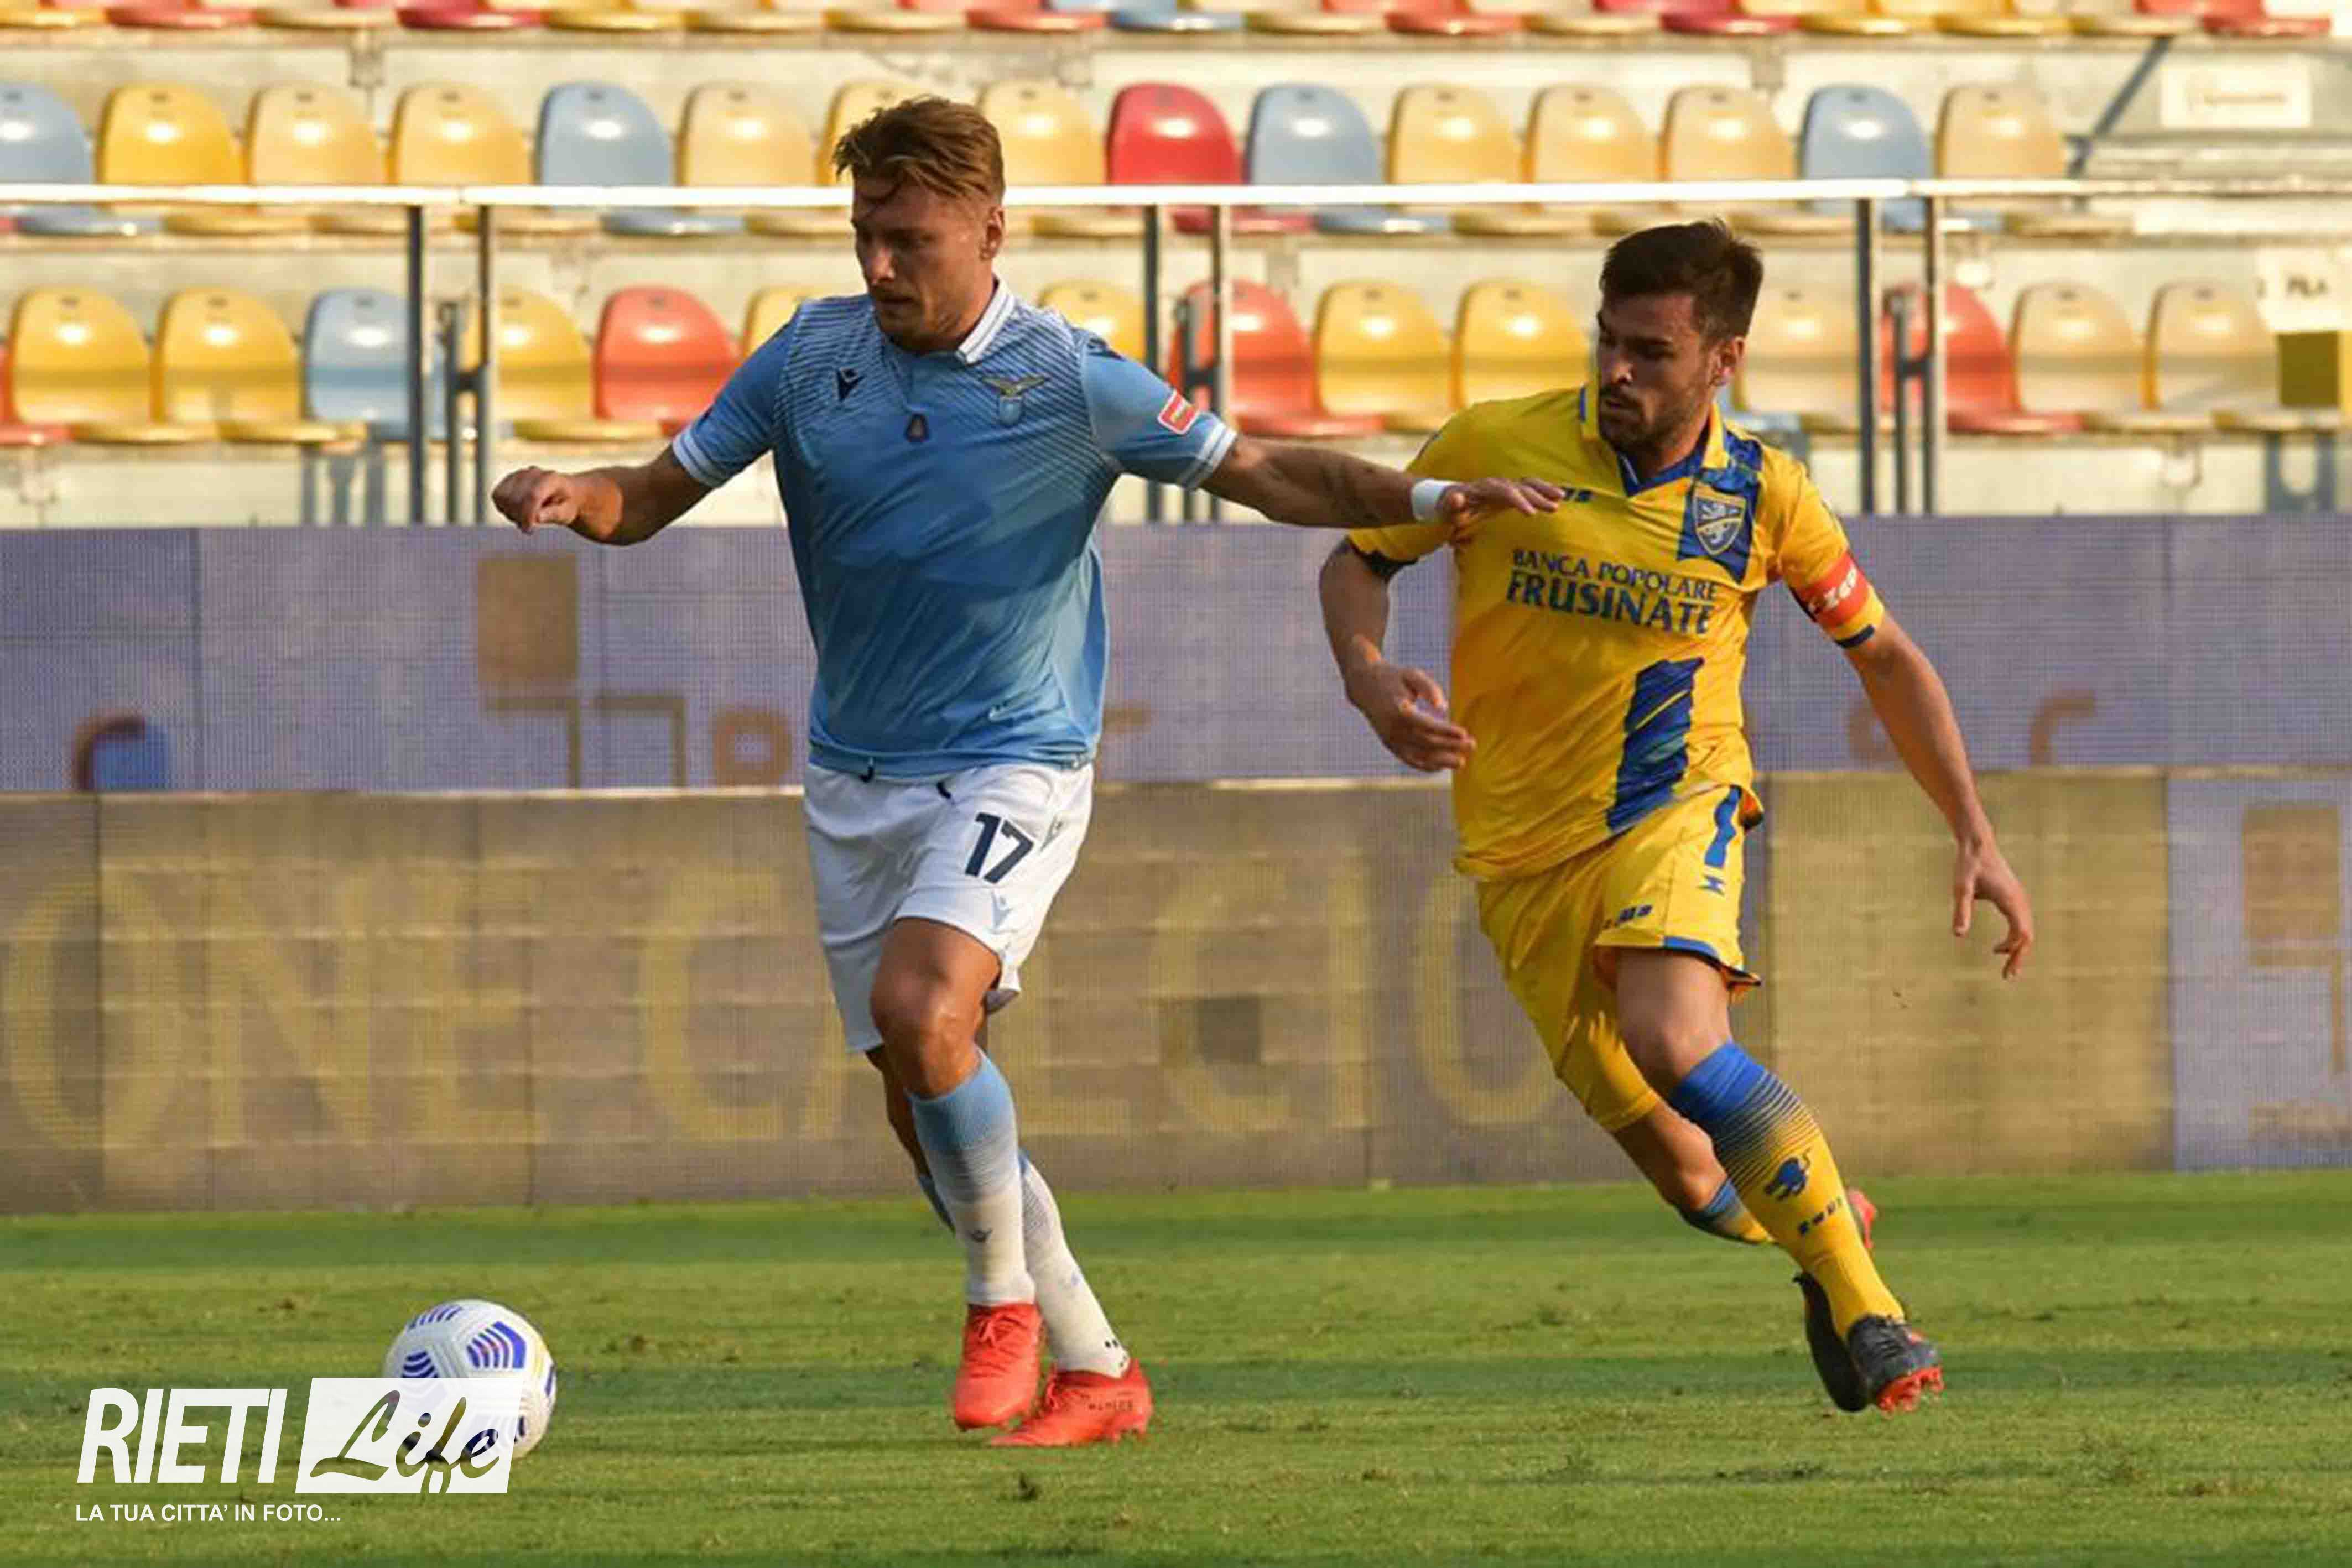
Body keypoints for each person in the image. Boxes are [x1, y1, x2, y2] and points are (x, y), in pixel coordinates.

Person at [492, 96, 1557, 1447]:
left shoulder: (1068, 378)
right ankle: (1098, 1368)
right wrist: (567, 493)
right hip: (854, 778)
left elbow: (1265, 471)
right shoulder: (809, 357)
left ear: (991, 230)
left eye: (911, 240)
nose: (881, 265)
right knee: (927, 1102)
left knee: (923, 1006)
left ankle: (997, 1302)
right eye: (866, 235)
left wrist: (1419, 499)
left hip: (1015, 756)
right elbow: (645, 496)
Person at [1318, 220, 2035, 1415]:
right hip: (1520, 849)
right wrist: (1366, 675)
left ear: (1723, 359)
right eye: (1607, 340)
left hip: (1676, 800)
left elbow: (1885, 656)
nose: (1617, 370)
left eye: (1650, 351)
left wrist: (1974, 829)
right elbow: (1356, 559)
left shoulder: (1763, 494)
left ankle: (1872, 1312)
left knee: (1676, 1039)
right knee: (1693, 1179)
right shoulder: (1493, 444)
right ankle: (1822, 1223)